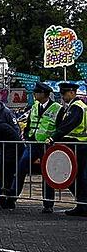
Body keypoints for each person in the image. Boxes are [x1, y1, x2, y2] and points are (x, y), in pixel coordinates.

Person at [12, 82, 62, 213]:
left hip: (47, 145)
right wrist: (28, 137)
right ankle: (12, 196)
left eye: (36, 92)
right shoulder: (34, 106)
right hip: (33, 143)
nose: (34, 95)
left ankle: (48, 203)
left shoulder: (57, 108)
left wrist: (53, 140)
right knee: (22, 166)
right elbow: (29, 123)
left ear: (43, 94)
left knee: (47, 173)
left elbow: (59, 127)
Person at [46, 82, 87, 216]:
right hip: (74, 146)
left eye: (64, 93)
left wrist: (54, 137)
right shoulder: (71, 107)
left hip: (78, 146)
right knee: (74, 177)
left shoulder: (77, 107)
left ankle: (83, 204)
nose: (62, 96)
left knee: (77, 176)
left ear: (72, 92)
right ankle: (81, 204)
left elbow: (68, 125)